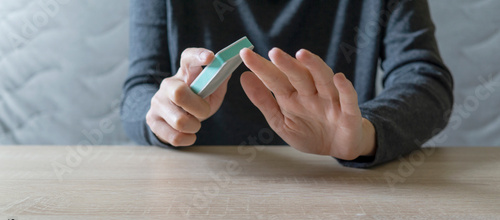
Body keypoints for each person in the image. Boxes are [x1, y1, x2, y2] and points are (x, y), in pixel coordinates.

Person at [121, 0, 453, 168]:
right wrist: (163, 114)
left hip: (339, 191)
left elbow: (425, 79)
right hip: (199, 187)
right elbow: (140, 88)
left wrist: (364, 133)